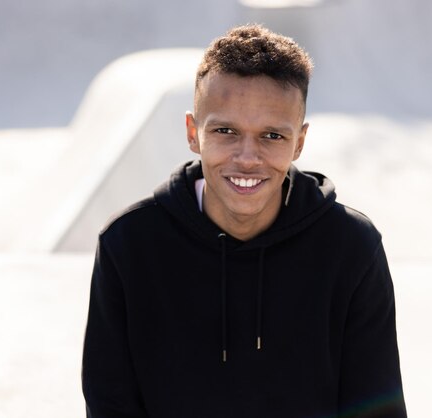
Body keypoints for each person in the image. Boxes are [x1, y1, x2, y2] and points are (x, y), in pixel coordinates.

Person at [82, 24, 406, 418]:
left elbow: (376, 406)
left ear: (299, 143)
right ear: (192, 133)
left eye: (271, 136)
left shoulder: (351, 247)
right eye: (225, 131)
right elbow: (110, 404)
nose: (248, 158)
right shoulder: (129, 244)